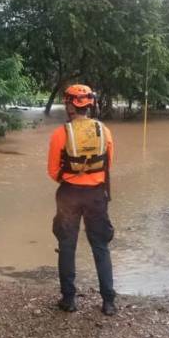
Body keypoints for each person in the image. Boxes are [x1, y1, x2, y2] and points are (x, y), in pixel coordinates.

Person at [47, 84, 117, 316]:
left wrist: (68, 179)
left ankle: (69, 300)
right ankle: (108, 302)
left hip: (69, 194)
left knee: (67, 246)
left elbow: (52, 171)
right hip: (97, 195)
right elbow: (109, 164)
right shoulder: (104, 131)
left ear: (70, 105)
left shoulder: (61, 134)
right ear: (89, 105)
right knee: (100, 246)